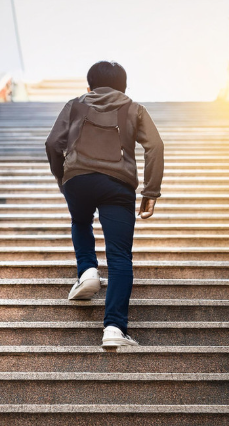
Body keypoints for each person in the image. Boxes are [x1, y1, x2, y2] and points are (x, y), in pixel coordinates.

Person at [45, 61, 164, 347]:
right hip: (118, 185)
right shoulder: (134, 108)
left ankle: (87, 270)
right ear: (124, 88)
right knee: (120, 256)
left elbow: (52, 144)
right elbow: (155, 146)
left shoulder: (75, 105)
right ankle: (114, 328)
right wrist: (150, 192)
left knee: (80, 220)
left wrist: (63, 177)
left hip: (78, 179)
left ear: (89, 87)